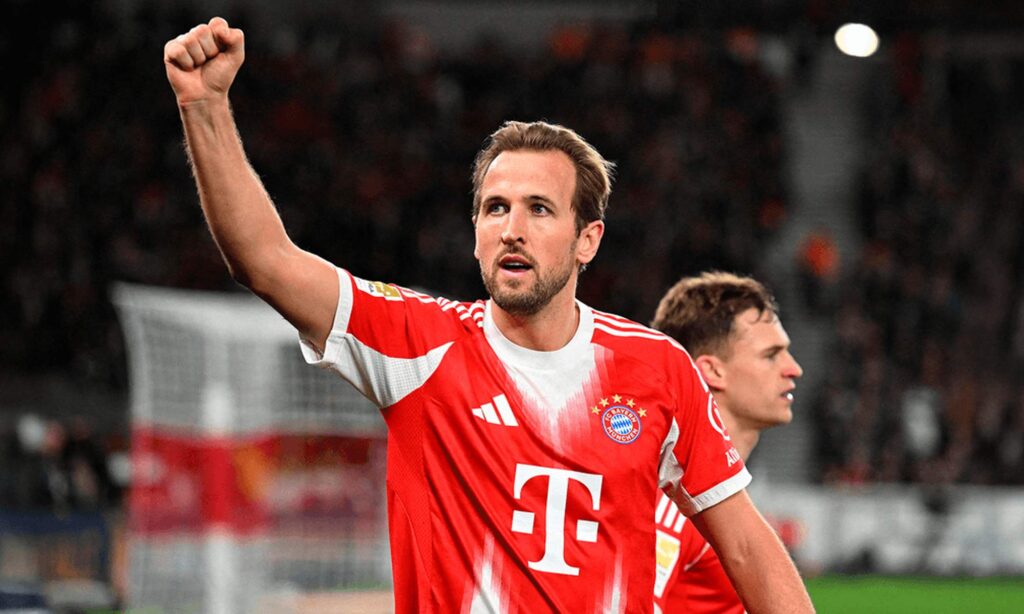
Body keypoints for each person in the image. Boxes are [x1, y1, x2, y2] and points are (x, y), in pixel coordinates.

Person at [163, 18, 814, 613]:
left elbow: (748, 548)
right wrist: (205, 105)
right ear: (474, 232)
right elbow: (265, 261)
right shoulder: (419, 343)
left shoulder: (659, 369)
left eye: (539, 209)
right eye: (495, 208)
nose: (512, 229)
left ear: (587, 240)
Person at [650, 272, 803, 613]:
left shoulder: (710, 496)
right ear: (712, 371)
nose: (794, 368)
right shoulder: (679, 498)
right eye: (771, 355)